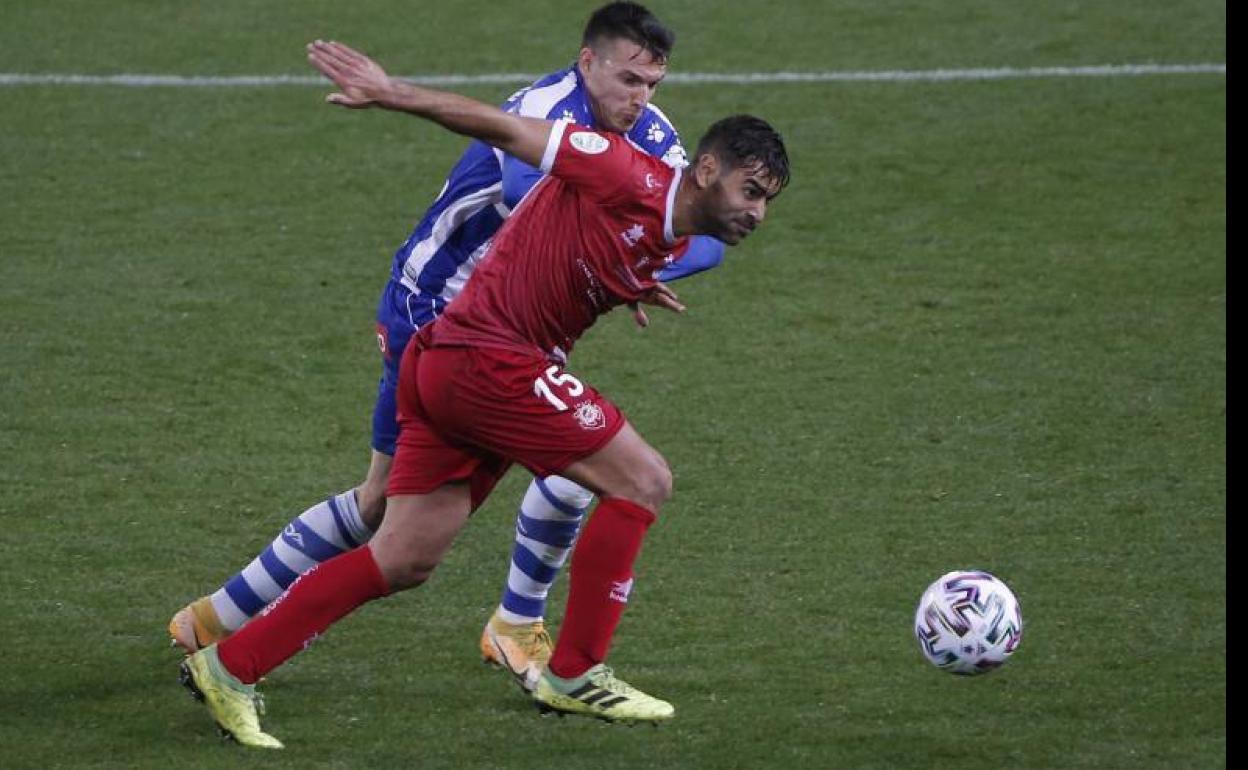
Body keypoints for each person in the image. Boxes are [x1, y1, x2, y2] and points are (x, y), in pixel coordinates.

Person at [178, 38, 788, 749]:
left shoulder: (661, 232)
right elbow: (504, 130)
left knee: (402, 555)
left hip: (452, 361)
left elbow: (582, 241)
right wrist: (390, 89)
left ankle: (229, 663)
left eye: (768, 201)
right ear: (705, 171)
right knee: (643, 480)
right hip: (487, 360)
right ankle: (572, 671)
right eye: (750, 193)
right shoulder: (622, 169)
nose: (757, 214)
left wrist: (629, 278)